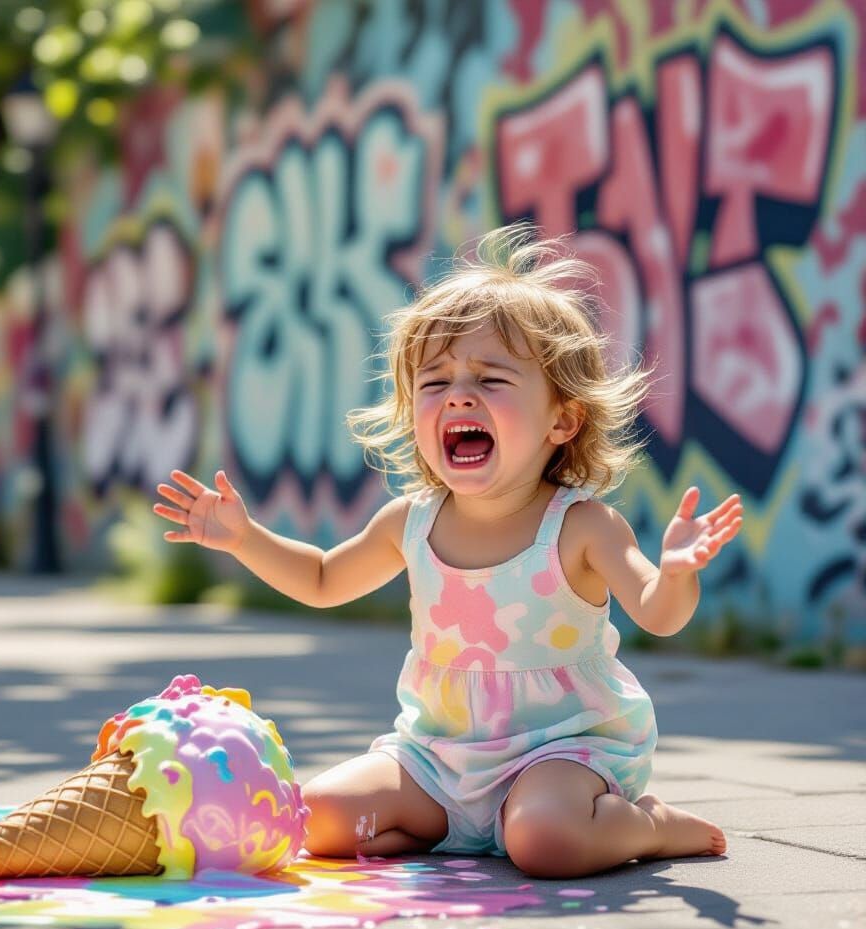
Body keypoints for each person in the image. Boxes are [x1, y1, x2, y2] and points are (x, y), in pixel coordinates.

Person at [152, 225, 743, 880]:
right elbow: (322, 580)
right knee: (312, 818)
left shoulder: (580, 526)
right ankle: (437, 826)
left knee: (545, 842)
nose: (459, 395)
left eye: (491, 379)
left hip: (562, 755)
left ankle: (649, 825)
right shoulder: (411, 521)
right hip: (436, 758)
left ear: (562, 421)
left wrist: (678, 573)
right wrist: (245, 538)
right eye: (434, 383)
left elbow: (659, 613)